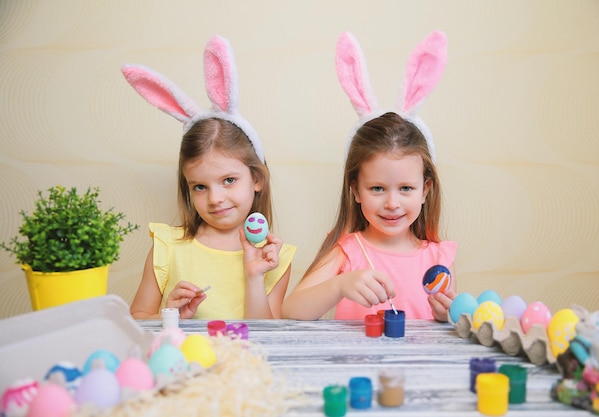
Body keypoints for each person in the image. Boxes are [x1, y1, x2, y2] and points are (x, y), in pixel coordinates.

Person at [282, 31, 455, 321]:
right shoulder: (348, 250)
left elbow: (444, 329)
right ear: (356, 190)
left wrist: (446, 317)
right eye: (377, 188)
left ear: (425, 190)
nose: (391, 203)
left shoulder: (437, 259)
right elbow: (291, 311)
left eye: (406, 189)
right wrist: (339, 285)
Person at [122, 35, 296, 319]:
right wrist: (171, 314)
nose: (215, 198)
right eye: (200, 186)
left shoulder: (274, 258)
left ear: (256, 179)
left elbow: (266, 340)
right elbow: (138, 320)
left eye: (229, 180)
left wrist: (254, 277)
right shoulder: (168, 246)